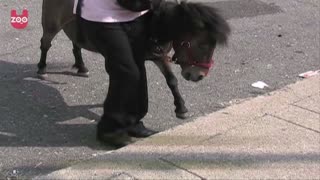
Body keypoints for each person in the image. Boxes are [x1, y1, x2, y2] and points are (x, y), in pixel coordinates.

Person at [73, 0, 158, 146]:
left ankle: (132, 121)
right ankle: (110, 129)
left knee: (137, 64)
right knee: (126, 71)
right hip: (101, 15)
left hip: (137, 12)